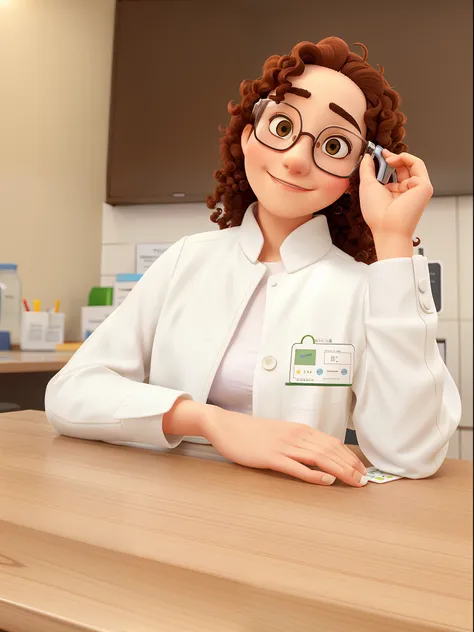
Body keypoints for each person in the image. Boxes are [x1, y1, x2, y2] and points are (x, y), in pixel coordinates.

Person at [45, 36, 461, 487]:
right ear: (247, 137)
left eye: (335, 146)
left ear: (358, 176)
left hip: (292, 526)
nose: (298, 159)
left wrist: (394, 240)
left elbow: (412, 454)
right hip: (163, 508)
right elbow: (70, 392)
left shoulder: (362, 288)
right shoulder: (187, 259)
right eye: (283, 128)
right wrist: (212, 423)